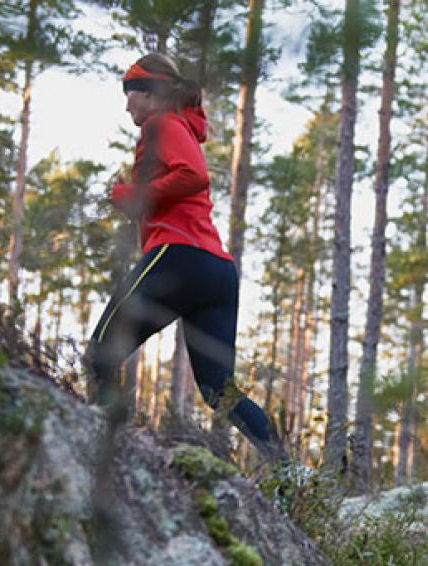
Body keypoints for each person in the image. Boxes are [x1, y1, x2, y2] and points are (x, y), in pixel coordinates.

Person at [86, 52, 284, 463]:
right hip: (216, 270)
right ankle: (289, 473)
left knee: (102, 350)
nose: (127, 105)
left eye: (131, 94)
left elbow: (193, 175)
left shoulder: (162, 124)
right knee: (217, 389)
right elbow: (178, 186)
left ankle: (107, 455)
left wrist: (131, 194)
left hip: (179, 257)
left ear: (151, 94)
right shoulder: (182, 129)